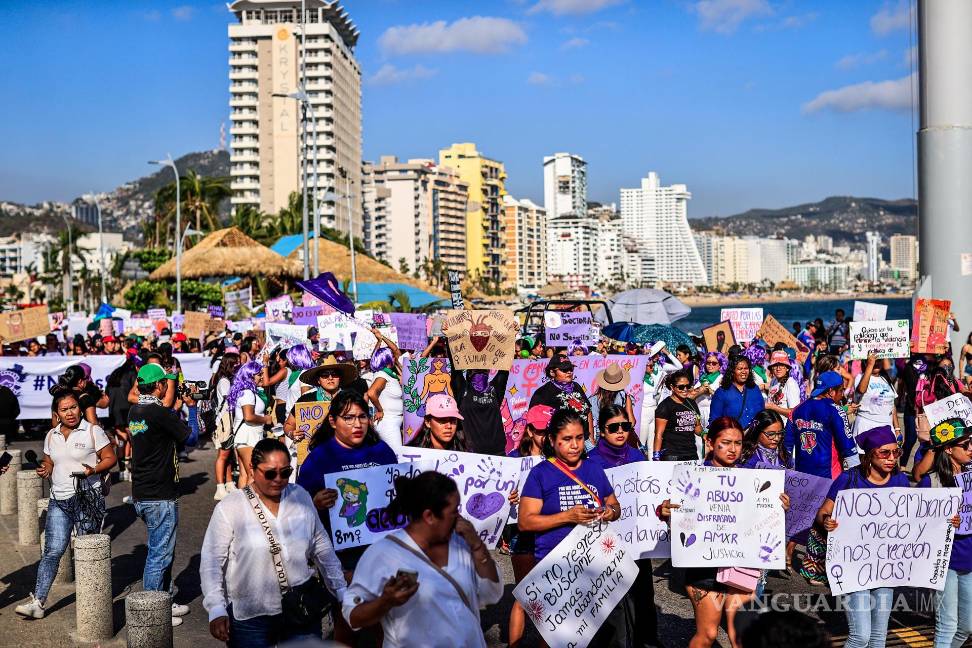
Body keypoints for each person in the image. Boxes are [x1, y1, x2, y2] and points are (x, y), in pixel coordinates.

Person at [201, 438, 347, 647]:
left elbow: (321, 546)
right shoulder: (230, 507)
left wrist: (341, 590)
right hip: (251, 616)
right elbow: (212, 561)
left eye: (285, 472)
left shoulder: (300, 496)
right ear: (252, 469)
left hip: (301, 608)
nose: (278, 479)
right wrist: (216, 608)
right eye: (270, 473)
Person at [658, 416, 789, 648]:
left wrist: (778, 507)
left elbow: (761, 520)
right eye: (726, 442)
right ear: (710, 443)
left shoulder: (752, 478)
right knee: (707, 635)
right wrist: (667, 511)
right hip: (703, 567)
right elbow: (678, 522)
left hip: (742, 565)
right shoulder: (692, 478)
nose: (732, 449)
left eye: (737, 443)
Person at [342, 471, 503, 648]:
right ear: (429, 517)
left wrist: (478, 547)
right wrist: (385, 602)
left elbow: (491, 594)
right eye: (453, 511)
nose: (459, 517)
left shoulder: (461, 543)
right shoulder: (382, 554)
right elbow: (352, 616)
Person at [296, 390, 398, 644]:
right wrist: (315, 501)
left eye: (362, 417)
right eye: (348, 418)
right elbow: (295, 506)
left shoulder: (381, 451)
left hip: (380, 550)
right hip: (340, 556)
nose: (357, 424)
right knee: (347, 619)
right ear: (333, 421)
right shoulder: (319, 458)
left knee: (381, 617)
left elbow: (396, 494)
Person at [518, 410, 624, 647]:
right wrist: (567, 516)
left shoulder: (594, 469)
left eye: (579, 437)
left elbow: (615, 505)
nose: (575, 445)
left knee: (591, 638)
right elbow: (526, 521)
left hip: (593, 566)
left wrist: (610, 512)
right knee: (554, 640)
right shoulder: (541, 474)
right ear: (553, 441)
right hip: (554, 568)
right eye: (566, 439)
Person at [14, 390, 116, 620]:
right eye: (64, 409)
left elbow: (111, 458)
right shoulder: (52, 435)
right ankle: (38, 602)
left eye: (73, 407)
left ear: (80, 409)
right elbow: (49, 460)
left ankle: (94, 605)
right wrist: (46, 468)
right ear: (56, 414)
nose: (70, 413)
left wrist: (94, 470)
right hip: (59, 500)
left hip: (87, 499)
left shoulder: (93, 431)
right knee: (52, 551)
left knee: (87, 550)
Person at [814, 426, 910, 647]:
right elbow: (822, 512)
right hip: (853, 566)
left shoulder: (901, 481)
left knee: (878, 638)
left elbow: (914, 520)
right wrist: (826, 520)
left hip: (886, 566)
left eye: (896, 452)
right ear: (869, 454)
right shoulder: (849, 479)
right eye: (885, 452)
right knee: (861, 636)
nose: (892, 458)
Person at [587, 404, 660, 648]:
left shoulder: (638, 456)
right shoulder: (592, 462)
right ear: (602, 430)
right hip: (608, 541)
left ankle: (646, 640)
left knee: (643, 595)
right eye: (613, 427)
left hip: (638, 540)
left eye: (625, 426)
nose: (620, 431)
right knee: (614, 599)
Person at [128, 363, 191, 627]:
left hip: (143, 492)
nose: (167, 385)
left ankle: (163, 599)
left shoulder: (136, 410)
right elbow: (191, 437)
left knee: (163, 550)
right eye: (164, 381)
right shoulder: (156, 412)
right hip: (159, 494)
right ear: (157, 386)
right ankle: (153, 613)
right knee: (159, 554)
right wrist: (193, 407)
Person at [506, 404, 552, 648]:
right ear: (530, 431)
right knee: (523, 596)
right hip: (522, 535)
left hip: (550, 533)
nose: (545, 436)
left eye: (549, 430)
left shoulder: (557, 459)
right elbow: (501, 497)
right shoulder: (514, 459)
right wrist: (509, 496)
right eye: (542, 430)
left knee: (549, 597)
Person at [785, 371, 858, 480]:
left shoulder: (796, 410)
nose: (842, 395)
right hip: (829, 476)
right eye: (841, 390)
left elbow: (787, 445)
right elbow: (847, 446)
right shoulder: (836, 410)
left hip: (802, 478)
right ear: (831, 391)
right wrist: (855, 476)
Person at [529, 356, 594, 441]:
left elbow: (588, 412)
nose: (569, 372)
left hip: (584, 440)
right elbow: (535, 420)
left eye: (571, 369)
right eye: (564, 370)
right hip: (561, 443)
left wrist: (591, 438)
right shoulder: (543, 392)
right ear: (552, 372)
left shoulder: (576, 386)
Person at [228, 361, 271, 488]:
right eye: (259, 374)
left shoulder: (248, 392)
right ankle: (250, 505)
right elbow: (249, 417)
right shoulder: (248, 393)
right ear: (250, 376)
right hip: (248, 438)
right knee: (253, 475)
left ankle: (242, 505)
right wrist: (265, 419)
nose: (262, 377)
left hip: (244, 437)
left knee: (244, 475)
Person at [453, 368, 510, 456]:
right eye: (476, 367)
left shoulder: (494, 389)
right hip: (471, 454)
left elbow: (505, 366)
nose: (480, 368)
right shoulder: (463, 389)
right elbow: (454, 366)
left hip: (497, 453)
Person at [654, 369, 703, 461]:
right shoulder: (665, 406)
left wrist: (704, 434)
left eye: (688, 386)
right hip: (672, 454)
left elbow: (697, 426)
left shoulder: (692, 403)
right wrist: (656, 455)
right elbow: (658, 434)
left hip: (691, 453)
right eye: (681, 387)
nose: (685, 390)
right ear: (672, 387)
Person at [211, 352, 240, 501]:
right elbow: (231, 399)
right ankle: (220, 487)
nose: (238, 366)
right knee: (223, 455)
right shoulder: (224, 381)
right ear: (229, 364)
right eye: (236, 364)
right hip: (224, 420)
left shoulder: (225, 379)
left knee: (227, 454)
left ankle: (228, 483)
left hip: (226, 419)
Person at [708, 355, 765, 428]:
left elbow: (763, 414)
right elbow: (714, 420)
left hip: (755, 437)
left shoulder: (754, 389)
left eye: (746, 368)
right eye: (740, 369)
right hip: (733, 437)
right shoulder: (722, 392)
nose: (744, 372)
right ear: (732, 371)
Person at [852, 353, 899, 440]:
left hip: (887, 426)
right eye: (874, 361)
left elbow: (892, 405)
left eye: (879, 361)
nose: (876, 363)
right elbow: (861, 390)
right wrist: (870, 364)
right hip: (867, 426)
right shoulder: (860, 377)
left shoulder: (886, 379)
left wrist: (897, 429)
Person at [366, 346, 405, 450]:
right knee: (396, 456)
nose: (394, 358)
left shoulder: (390, 374)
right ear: (386, 358)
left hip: (394, 421)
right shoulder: (382, 375)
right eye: (392, 356)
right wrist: (380, 409)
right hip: (388, 422)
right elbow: (371, 393)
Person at [589, 364, 636, 435]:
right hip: (619, 436)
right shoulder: (624, 397)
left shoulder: (592, 400)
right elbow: (632, 422)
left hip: (600, 436)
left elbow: (590, 425)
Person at [765, 351, 801, 418]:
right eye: (775, 365)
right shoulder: (774, 380)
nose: (778, 369)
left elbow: (795, 412)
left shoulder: (791, 383)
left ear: (787, 368)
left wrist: (774, 407)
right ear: (772, 368)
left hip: (785, 427)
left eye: (781, 365)